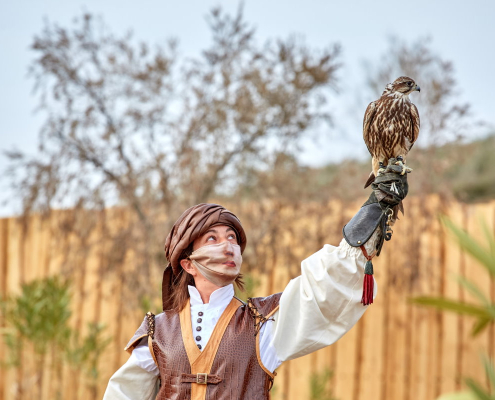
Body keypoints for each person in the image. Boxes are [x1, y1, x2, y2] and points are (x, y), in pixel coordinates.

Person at [103, 158, 408, 400]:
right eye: (212, 238)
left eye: (232, 237)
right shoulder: (158, 332)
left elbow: (320, 292)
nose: (228, 246)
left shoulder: (263, 324)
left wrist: (370, 218)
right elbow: (122, 394)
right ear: (188, 263)